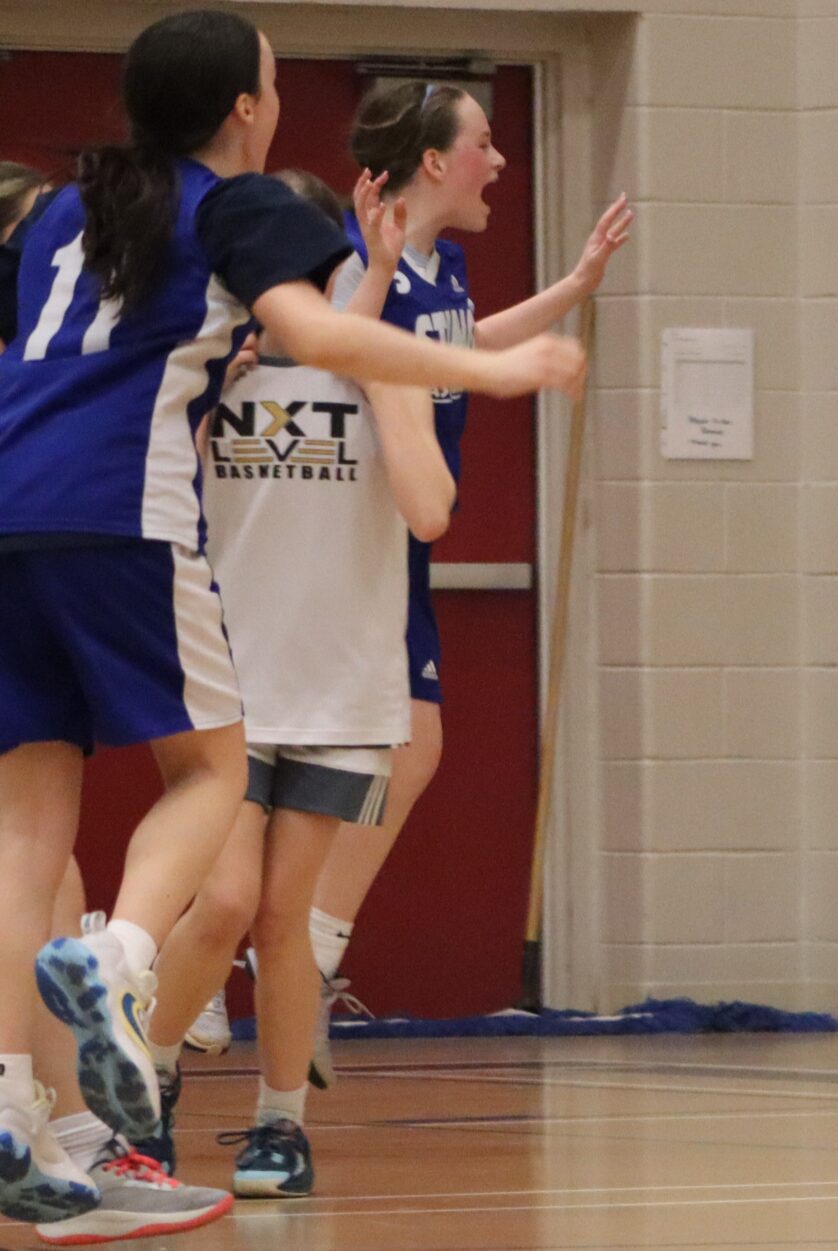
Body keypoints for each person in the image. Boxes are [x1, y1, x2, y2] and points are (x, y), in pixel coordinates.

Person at [0, 9, 578, 1222]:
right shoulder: (235, 204)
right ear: (245, 108)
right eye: (270, 82)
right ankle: (117, 961)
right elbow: (318, 333)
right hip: (121, 510)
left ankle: (10, 1105)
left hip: (11, 507)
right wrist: (495, 368)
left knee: (25, 828)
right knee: (211, 773)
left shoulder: (70, 207)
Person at [138, 169, 453, 1200]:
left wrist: (383, 383)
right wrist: (208, 394)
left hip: (339, 688)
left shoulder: (380, 370)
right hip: (225, 679)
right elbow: (159, 500)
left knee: (284, 919)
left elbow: (431, 511)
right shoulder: (204, 371)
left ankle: (282, 1122)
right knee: (223, 899)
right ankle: (145, 1082)